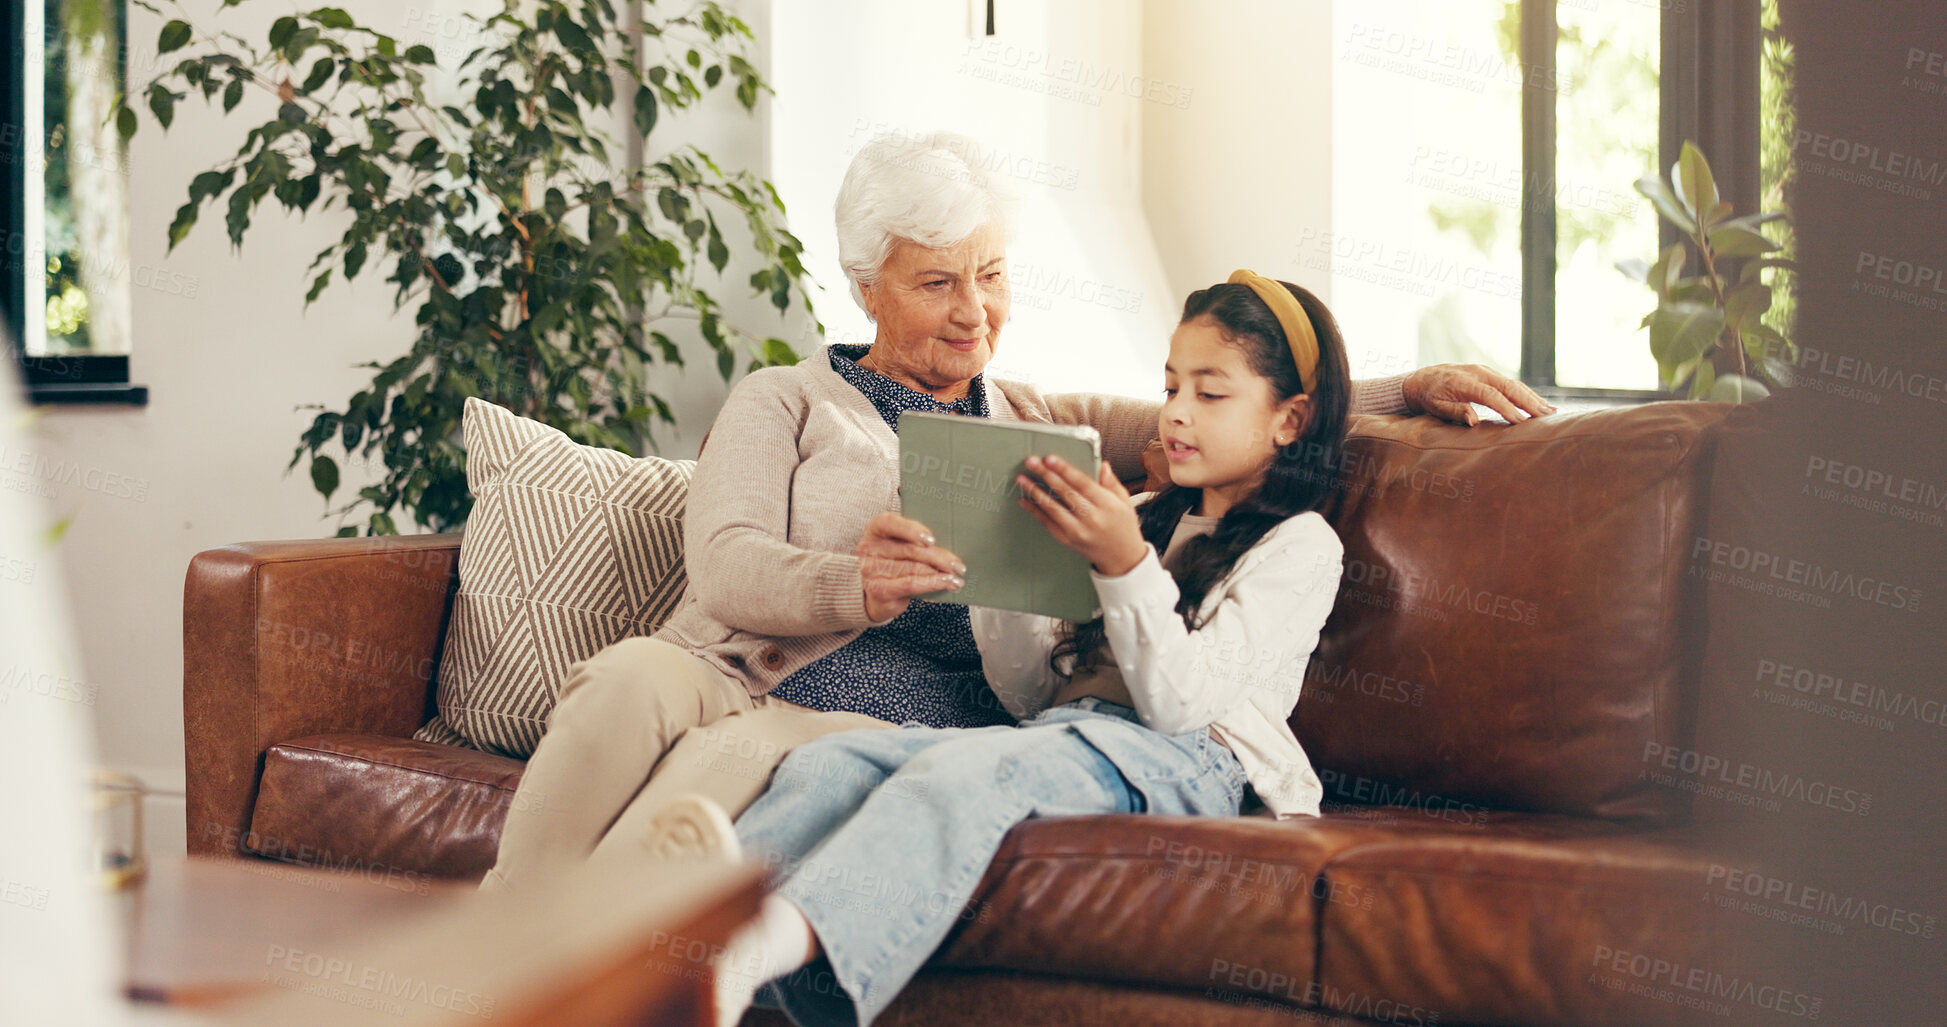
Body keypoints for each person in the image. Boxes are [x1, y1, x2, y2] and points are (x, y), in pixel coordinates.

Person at [480, 132, 1553, 893]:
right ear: (865, 286)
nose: (974, 312)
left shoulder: (1037, 416)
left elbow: (1227, 409)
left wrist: (1405, 385)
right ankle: (501, 935)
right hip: (733, 662)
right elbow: (722, 563)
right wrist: (850, 581)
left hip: (909, 714)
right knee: (622, 681)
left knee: (729, 764)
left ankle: (568, 975)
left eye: (990, 275)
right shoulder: (786, 399)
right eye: (937, 283)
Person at [681, 271, 1357, 1026]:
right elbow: (1029, 695)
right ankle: (684, 953)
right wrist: (1002, 566)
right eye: (1170, 388)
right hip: (1068, 731)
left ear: (1290, 419)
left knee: (960, 772)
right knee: (832, 763)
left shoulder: (1300, 546)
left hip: (1189, 759)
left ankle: (744, 953)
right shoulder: (1139, 515)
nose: (1175, 413)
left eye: (1210, 392)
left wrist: (1124, 563)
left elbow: (1179, 704)